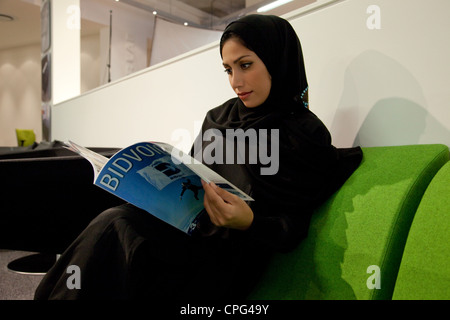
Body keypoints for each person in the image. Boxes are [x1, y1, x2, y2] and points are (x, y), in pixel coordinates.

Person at [34, 14, 362, 300]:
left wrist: (249, 221)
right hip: (186, 236)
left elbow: (294, 226)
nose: (236, 82)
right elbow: (190, 176)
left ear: (277, 60)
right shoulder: (218, 118)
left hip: (228, 258)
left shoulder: (304, 133)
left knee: (119, 229)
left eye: (245, 65)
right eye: (228, 70)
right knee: (115, 219)